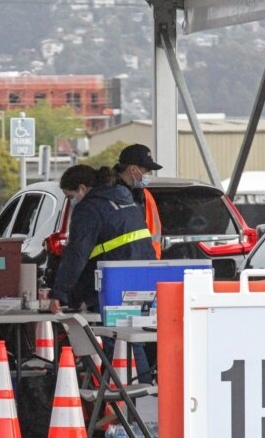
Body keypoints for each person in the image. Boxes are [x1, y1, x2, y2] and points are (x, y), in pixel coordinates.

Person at [48, 164, 156, 383]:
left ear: (82, 188)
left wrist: (60, 293)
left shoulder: (89, 209)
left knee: (116, 341)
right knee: (134, 340)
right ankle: (141, 396)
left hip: (115, 285)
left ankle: (120, 401)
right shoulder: (126, 199)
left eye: (71, 196)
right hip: (144, 279)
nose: (72, 201)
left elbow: (77, 253)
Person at [114, 144, 164, 259]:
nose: (149, 175)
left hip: (143, 264)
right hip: (116, 265)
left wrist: (153, 262)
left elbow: (154, 234)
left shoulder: (145, 196)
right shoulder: (107, 194)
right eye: (147, 171)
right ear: (133, 169)